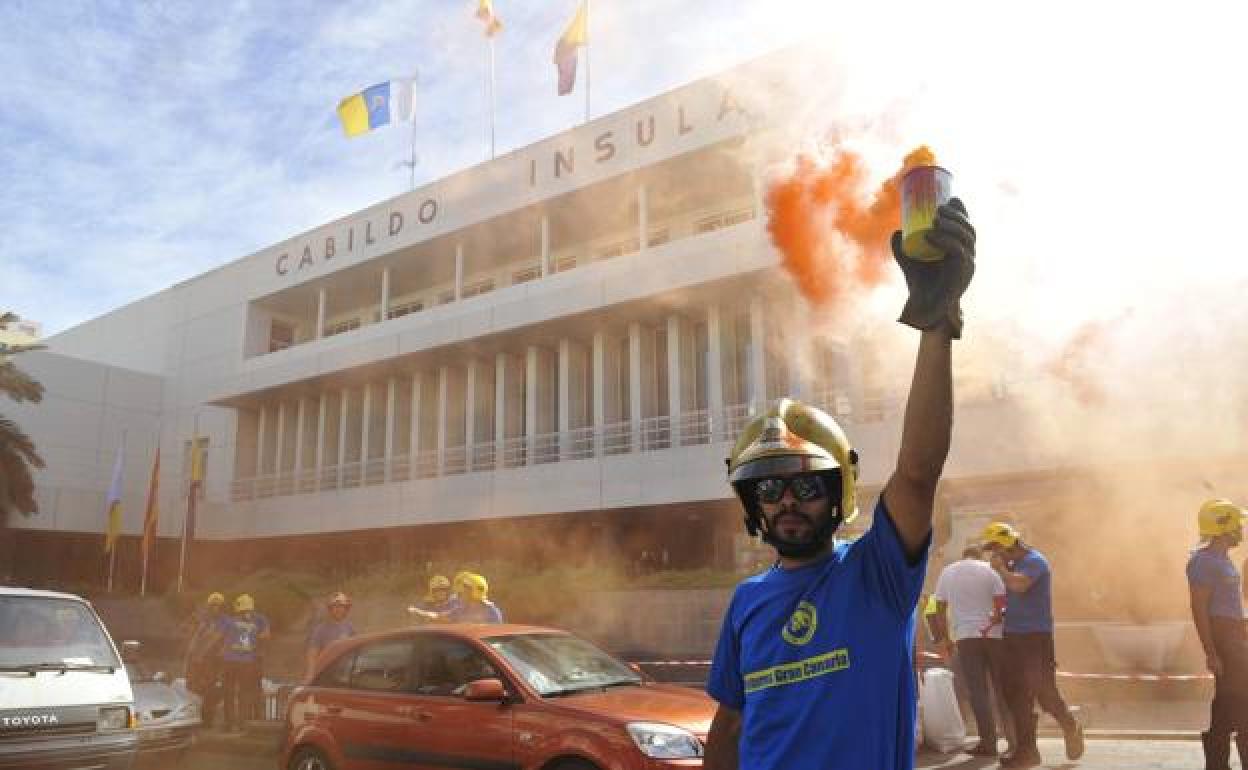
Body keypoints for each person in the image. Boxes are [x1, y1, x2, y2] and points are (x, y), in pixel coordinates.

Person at [702, 199, 976, 770]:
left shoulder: (877, 573)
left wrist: (936, 324)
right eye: (769, 490)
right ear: (753, 506)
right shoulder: (746, 601)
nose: (785, 503)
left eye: (805, 487)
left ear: (838, 495)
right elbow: (730, 723)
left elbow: (919, 471)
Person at [981, 521, 1083, 767]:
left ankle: (1070, 726)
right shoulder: (1014, 563)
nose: (994, 554)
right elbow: (1015, 596)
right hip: (1013, 636)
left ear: (1007, 545)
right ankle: (1027, 752)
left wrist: (1001, 571)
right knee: (1015, 694)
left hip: (1036, 637)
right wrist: (1002, 614)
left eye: (996, 548)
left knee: (1044, 692)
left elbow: (1020, 585)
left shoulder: (1035, 561)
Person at [930, 544, 1011, 757]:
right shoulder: (990, 569)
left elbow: (938, 608)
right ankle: (1015, 741)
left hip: (966, 636)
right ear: (979, 556)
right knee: (1002, 689)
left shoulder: (948, 572)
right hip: (993, 635)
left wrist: (945, 638)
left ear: (963, 556)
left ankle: (989, 743)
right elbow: (1003, 604)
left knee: (978, 691)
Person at [1188, 498, 1248, 769]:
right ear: (1223, 527)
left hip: (1236, 634)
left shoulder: (1224, 560)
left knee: (1227, 702)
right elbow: (1199, 609)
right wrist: (1211, 652)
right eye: (1237, 524)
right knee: (1239, 700)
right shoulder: (1203, 561)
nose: (1241, 529)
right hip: (1224, 638)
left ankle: (1216, 763)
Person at [216, 594, 271, 733]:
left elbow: (218, 636)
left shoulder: (230, 622)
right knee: (244, 693)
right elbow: (265, 636)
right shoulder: (254, 626)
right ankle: (242, 723)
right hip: (247, 663)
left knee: (228, 693)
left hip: (230, 662)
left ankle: (228, 724)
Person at [184, 592, 226, 728]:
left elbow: (216, 641)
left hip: (212, 663)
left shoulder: (224, 623)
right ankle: (197, 719)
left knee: (209, 691)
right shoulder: (203, 622)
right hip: (199, 662)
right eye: (213, 606)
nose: (215, 608)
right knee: (195, 690)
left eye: (218, 606)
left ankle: (207, 721)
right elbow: (193, 642)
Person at [409, 572, 503, 624]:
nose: (461, 592)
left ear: (474, 591)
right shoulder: (461, 609)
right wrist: (418, 612)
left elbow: (497, 639)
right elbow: (439, 617)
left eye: (465, 589)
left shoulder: (491, 612)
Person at [304, 592, 355, 680]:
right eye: (335, 606)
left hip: (345, 673)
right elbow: (312, 654)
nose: (338, 609)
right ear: (330, 609)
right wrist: (310, 674)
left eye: (341, 606)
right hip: (327, 673)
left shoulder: (349, 627)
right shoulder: (320, 630)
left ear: (346, 609)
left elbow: (354, 650)